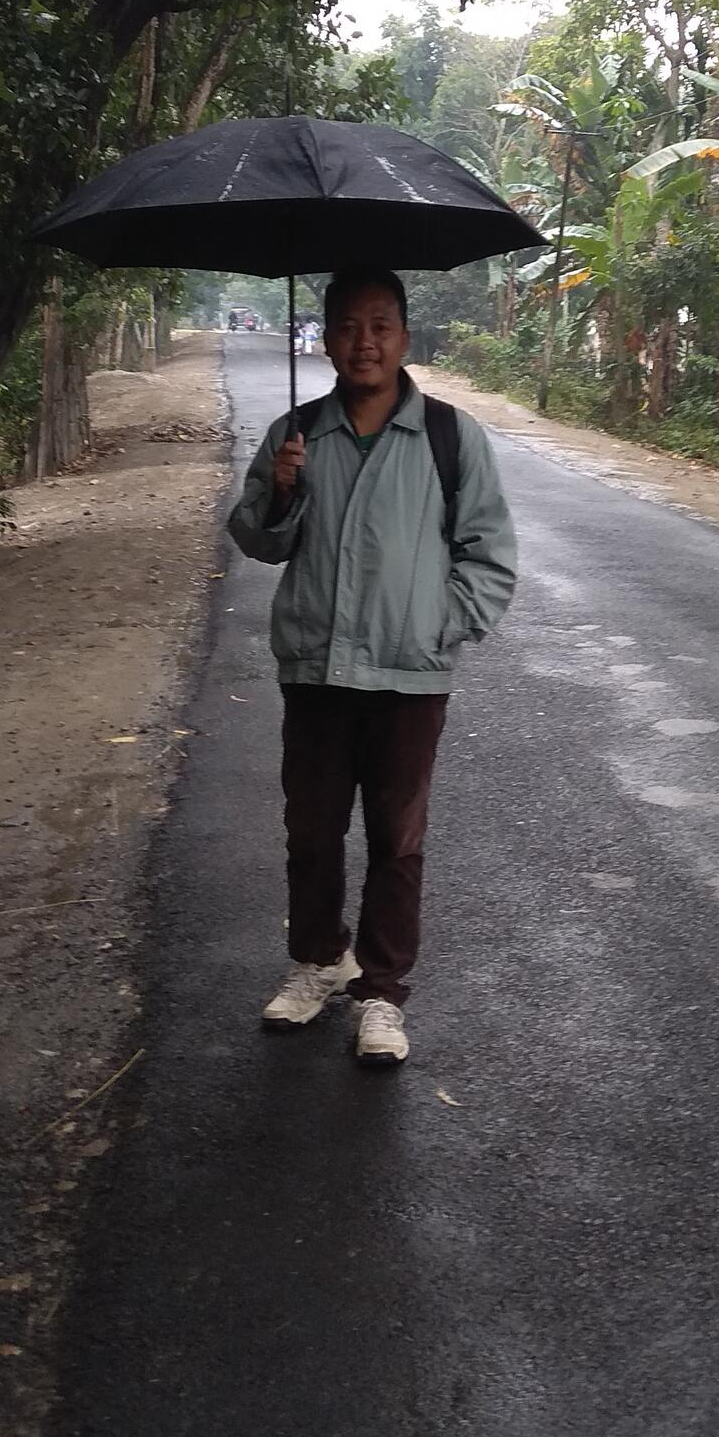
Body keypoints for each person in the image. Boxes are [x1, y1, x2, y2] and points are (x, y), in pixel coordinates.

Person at [227, 267, 516, 1065]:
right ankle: (320, 959)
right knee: (311, 832)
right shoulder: (295, 432)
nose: (365, 342)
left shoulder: (450, 437)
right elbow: (257, 540)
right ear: (325, 339)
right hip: (316, 668)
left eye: (380, 326)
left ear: (404, 338)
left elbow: (489, 554)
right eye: (349, 327)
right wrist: (280, 492)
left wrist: (438, 628)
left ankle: (382, 992)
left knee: (397, 840)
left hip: (408, 675)